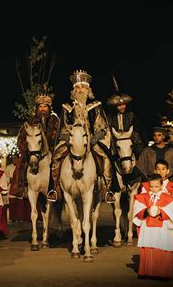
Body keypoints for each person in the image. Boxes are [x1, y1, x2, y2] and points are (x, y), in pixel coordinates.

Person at [48, 69, 117, 203]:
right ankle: (54, 188)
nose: (80, 90)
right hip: (71, 140)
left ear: (88, 89)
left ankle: (107, 189)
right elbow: (63, 127)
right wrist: (67, 138)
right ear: (73, 90)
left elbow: (102, 126)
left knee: (106, 158)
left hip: (92, 140)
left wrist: (95, 137)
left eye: (83, 87)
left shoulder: (96, 106)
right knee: (56, 157)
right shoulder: (67, 107)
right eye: (78, 87)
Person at [11, 94, 59, 198]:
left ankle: (58, 188)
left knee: (61, 163)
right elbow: (21, 137)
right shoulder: (30, 121)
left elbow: (59, 135)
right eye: (40, 106)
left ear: (49, 108)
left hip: (52, 149)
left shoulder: (55, 120)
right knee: (21, 163)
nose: (43, 109)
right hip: (33, 150)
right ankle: (21, 188)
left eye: (45, 106)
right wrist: (25, 149)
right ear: (37, 108)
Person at [133, 174, 173, 279]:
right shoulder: (143, 197)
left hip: (162, 228)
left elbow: (172, 212)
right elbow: (137, 210)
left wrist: (160, 212)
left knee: (161, 247)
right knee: (149, 247)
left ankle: (162, 273)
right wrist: (146, 211)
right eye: (151, 186)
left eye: (156, 187)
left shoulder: (168, 198)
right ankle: (146, 271)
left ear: (161, 186)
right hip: (147, 227)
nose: (153, 189)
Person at [106, 77, 147, 158]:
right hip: (116, 140)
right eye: (119, 106)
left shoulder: (131, 115)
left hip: (129, 139)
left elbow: (139, 128)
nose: (122, 107)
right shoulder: (110, 117)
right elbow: (108, 129)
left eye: (123, 104)